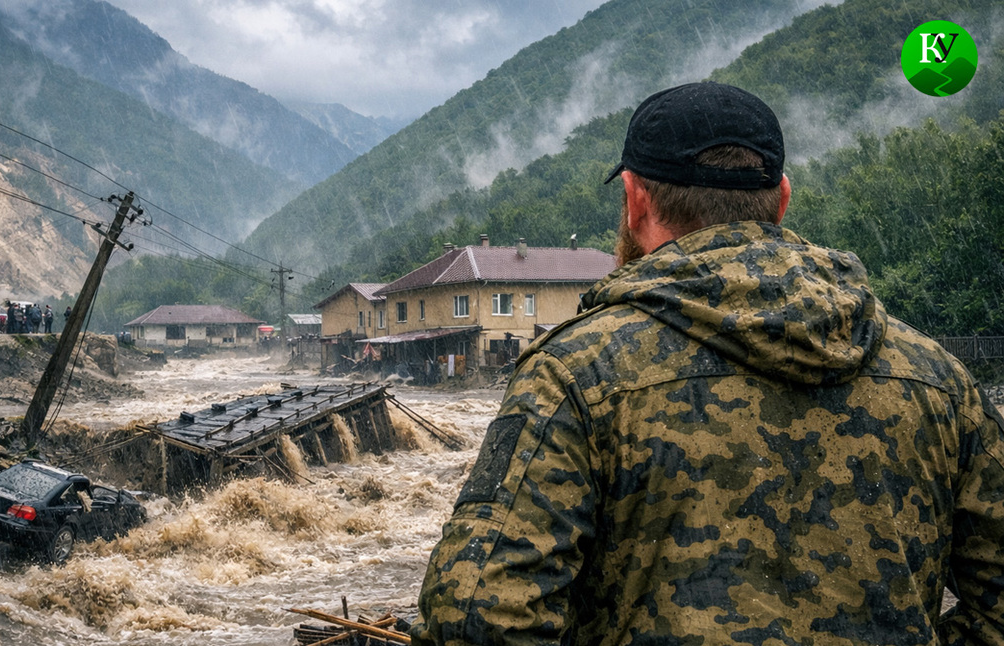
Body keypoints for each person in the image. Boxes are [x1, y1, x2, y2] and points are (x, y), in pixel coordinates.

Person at [410, 82, 1004, 646]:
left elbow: (478, 619)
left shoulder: (575, 373)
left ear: (635, 201)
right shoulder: (938, 378)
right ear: (781, 199)